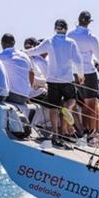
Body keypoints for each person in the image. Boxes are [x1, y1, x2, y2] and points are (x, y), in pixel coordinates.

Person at [26, 19, 84, 148]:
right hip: (67, 79)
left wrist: (22, 53)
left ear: (55, 29)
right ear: (66, 29)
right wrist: (81, 75)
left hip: (52, 81)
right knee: (72, 100)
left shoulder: (49, 41)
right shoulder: (71, 43)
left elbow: (34, 51)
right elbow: (78, 60)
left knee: (53, 107)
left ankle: (55, 133)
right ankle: (66, 110)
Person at [67, 11, 99, 137]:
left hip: (73, 73)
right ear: (89, 22)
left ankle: (83, 131)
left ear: (78, 20)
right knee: (91, 104)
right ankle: (91, 132)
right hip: (88, 73)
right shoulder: (91, 38)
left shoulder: (70, 34)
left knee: (81, 103)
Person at [0, 33, 34, 105]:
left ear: (2, 44)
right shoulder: (25, 56)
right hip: (25, 96)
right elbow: (32, 74)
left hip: (12, 96)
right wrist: (28, 92)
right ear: (14, 43)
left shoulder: (1, 57)